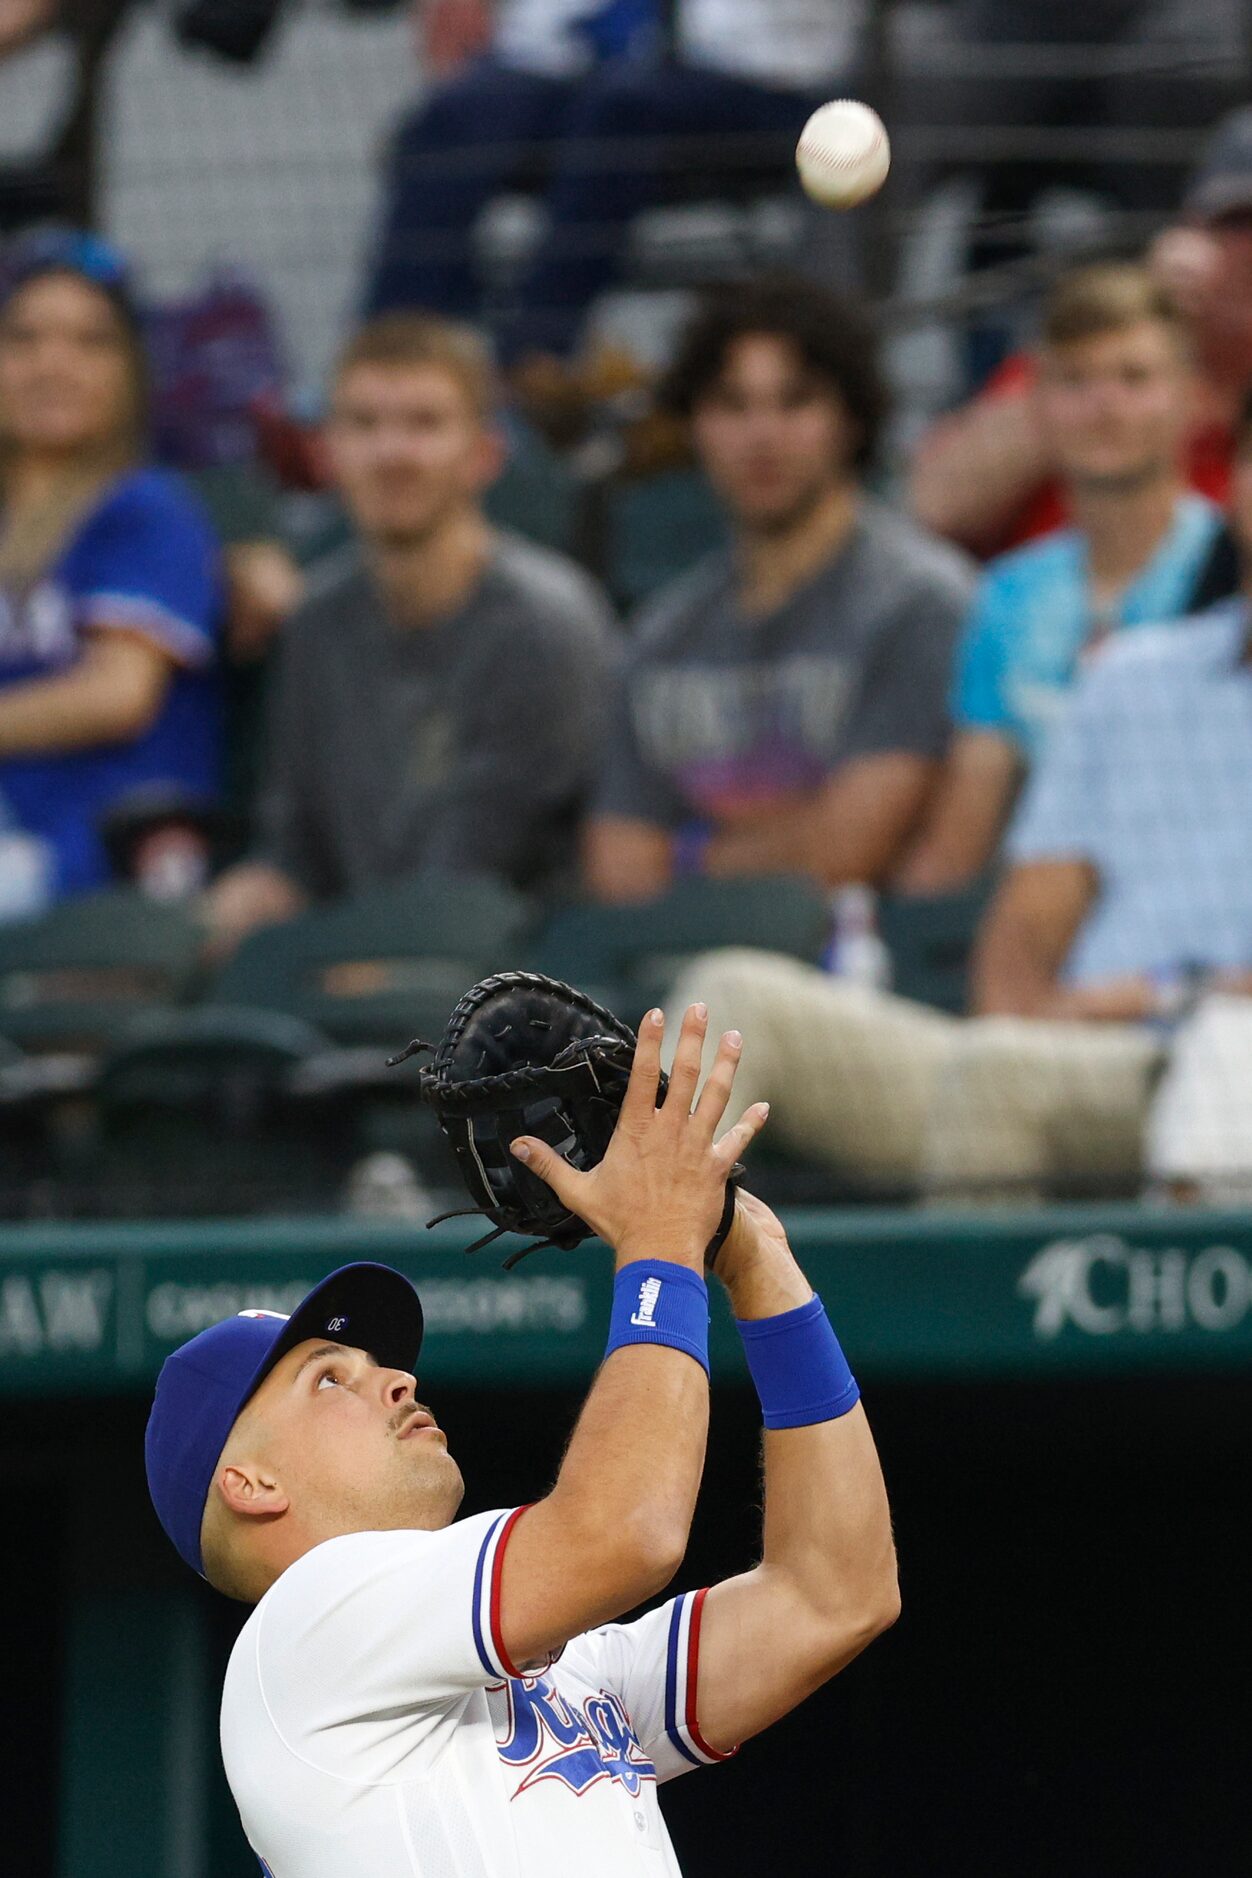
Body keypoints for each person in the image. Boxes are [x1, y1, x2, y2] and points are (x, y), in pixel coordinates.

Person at [144, 1005, 899, 1875]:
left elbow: (835, 1594)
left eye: (373, 1363)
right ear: (250, 1483)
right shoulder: (301, 1637)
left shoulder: (559, 1671)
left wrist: (758, 1262)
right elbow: (627, 1532)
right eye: (327, 1378)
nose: (397, 1379)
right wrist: (661, 1240)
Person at [666, 387, 1252, 1202]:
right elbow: (1019, 942)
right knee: (733, 999)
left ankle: (953, 1334)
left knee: (1000, 1076)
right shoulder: (1132, 673)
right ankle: (635, 1311)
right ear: (1236, 484)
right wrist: (1047, 1022)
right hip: (1065, 1054)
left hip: (1218, 1064)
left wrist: (1166, 996)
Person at [203, 311, 616, 956]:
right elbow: (294, 846)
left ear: (485, 453)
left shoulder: (545, 621)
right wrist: (251, 897)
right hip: (364, 976)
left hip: (519, 996)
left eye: (424, 423)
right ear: (324, 452)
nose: (391, 453)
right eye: (364, 424)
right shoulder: (314, 624)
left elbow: (485, 866)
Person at [585, 275, 974, 904]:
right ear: (694, 426)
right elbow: (617, 867)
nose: (761, 436)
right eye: (731, 405)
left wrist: (683, 855)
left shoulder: (920, 602)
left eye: (795, 402)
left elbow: (847, 851)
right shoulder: (663, 632)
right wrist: (786, 838)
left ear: (850, 419)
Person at [897, 262, 1226, 896]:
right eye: (1074, 380)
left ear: (1190, 396)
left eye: (1135, 378)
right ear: (1038, 404)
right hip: (1039, 930)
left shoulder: (1235, 565)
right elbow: (962, 835)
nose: (1104, 405)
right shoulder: (1009, 597)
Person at [910, 106, 1252, 558]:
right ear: (1191, 232)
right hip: (1056, 614)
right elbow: (936, 506)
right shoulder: (1104, 343)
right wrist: (1145, 324)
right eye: (1237, 221)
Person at [0, 230, 223, 907]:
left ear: (130, 368)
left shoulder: (146, 507)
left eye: (89, 341)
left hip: (100, 865)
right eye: (24, 340)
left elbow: (117, 693)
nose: (52, 365)